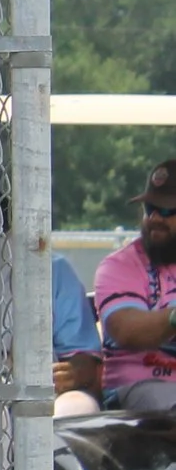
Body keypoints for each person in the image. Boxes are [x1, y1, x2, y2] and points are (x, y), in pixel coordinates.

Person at [91, 159, 176, 413]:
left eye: (169, 211)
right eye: (150, 208)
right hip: (138, 386)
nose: (155, 219)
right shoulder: (119, 265)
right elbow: (126, 330)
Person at [55, 252, 104, 417]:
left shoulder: (54, 267)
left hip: (44, 389)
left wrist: (70, 373)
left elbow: (84, 359)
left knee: (77, 408)